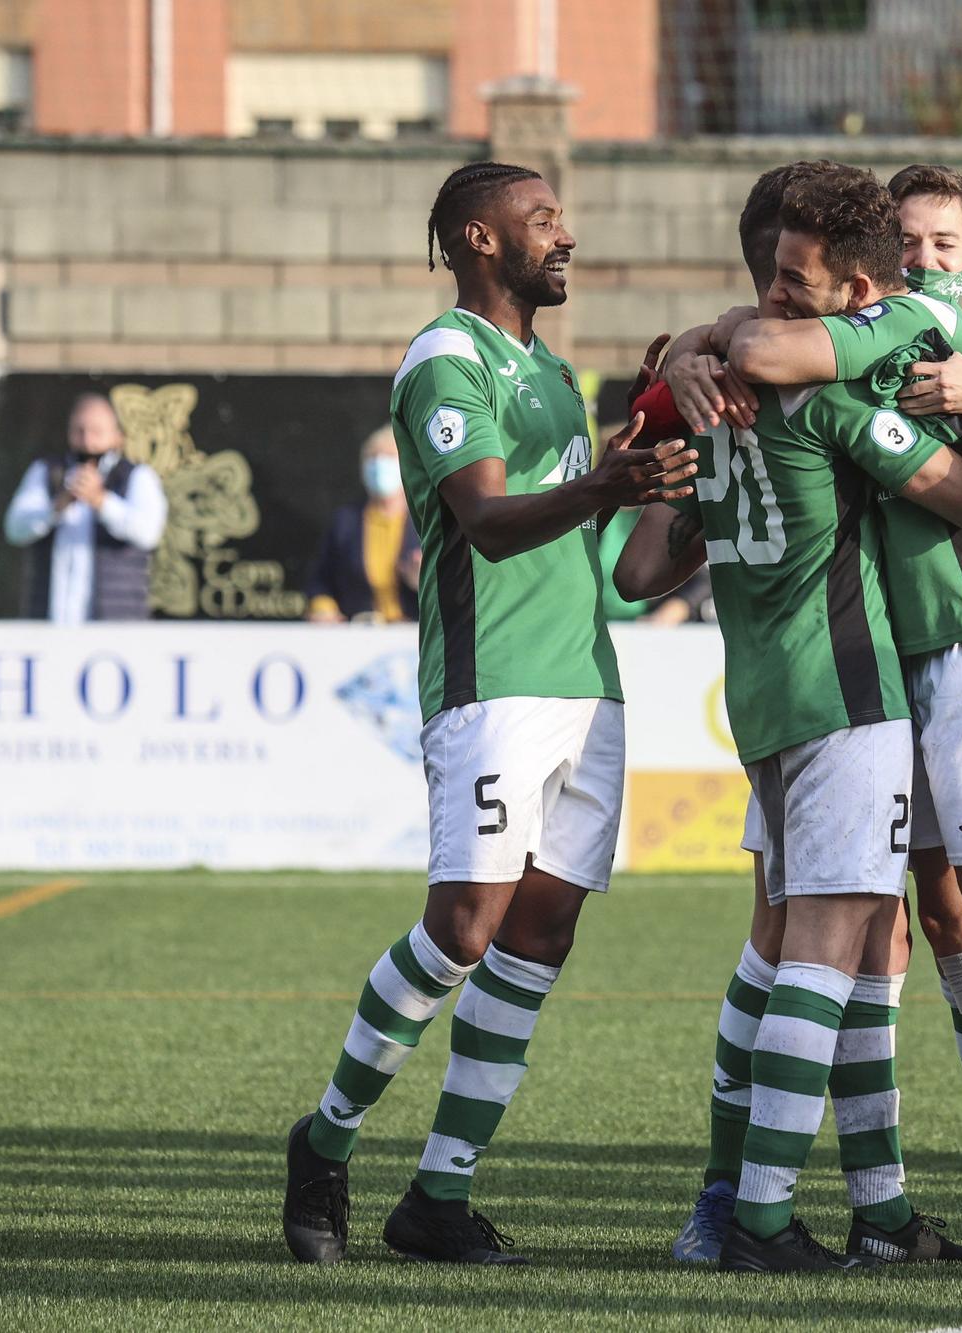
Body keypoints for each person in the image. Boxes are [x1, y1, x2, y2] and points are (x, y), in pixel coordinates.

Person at [700, 161, 962, 1269]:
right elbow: (751, 346)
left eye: (945, 241)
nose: (929, 257)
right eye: (911, 239)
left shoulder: (915, 329)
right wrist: (697, 348)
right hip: (896, 660)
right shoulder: (913, 337)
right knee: (929, 923)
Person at [279, 161, 698, 1267]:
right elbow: (487, 520)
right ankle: (323, 1140)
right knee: (462, 926)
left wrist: (664, 485)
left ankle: (438, 1197)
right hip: (491, 682)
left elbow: (611, 575)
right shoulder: (443, 359)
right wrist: (608, 484)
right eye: (541, 218)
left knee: (539, 934)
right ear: (478, 238)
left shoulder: (555, 375)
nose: (564, 235)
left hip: (589, 684)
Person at [620, 164, 962, 1274]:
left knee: (791, 947)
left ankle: (829, 1209)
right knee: (831, 953)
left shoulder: (714, 398)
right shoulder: (826, 399)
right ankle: (760, 1219)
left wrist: (689, 445)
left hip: (761, 700)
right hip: (847, 694)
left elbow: (643, 567)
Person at [3, 393, 168, 622]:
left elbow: (148, 533)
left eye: (97, 432)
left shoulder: (138, 476)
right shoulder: (46, 472)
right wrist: (56, 508)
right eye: (79, 431)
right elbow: (14, 529)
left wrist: (101, 501)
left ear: (117, 436)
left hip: (117, 626)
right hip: (49, 627)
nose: (87, 441)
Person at [305, 427, 421, 623]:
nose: (379, 465)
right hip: (359, 637)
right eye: (373, 458)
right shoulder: (345, 521)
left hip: (414, 637)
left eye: (389, 457)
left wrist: (424, 582)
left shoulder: (426, 521)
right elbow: (321, 580)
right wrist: (323, 607)